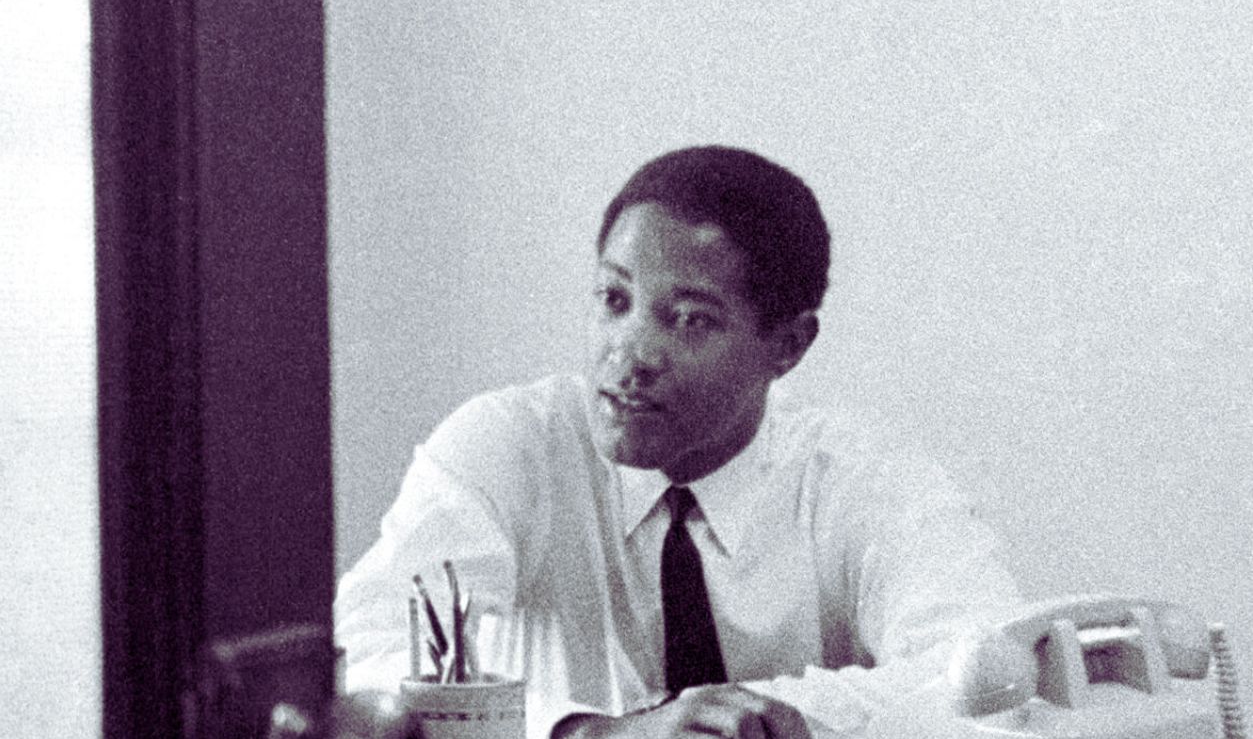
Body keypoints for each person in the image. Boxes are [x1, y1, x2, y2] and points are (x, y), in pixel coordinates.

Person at [334, 146, 1021, 738]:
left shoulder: (861, 476)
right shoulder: (510, 446)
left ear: (787, 345)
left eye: (689, 320)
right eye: (613, 299)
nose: (629, 354)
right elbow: (370, 645)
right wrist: (587, 731)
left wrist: (765, 721)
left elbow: (998, 672)